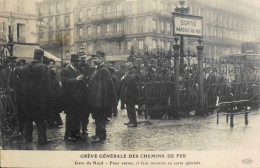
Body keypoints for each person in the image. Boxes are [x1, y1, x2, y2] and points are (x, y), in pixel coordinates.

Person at [87, 51, 118, 143]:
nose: (94, 60)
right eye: (94, 58)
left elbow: (109, 85)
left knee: (100, 118)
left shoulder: (104, 70)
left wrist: (111, 100)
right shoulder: (97, 69)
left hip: (100, 100)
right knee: (97, 117)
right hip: (96, 99)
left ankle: (101, 136)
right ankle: (98, 135)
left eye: (96, 58)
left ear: (102, 59)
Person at [23, 49, 51, 145]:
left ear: (34, 56)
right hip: (40, 99)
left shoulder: (26, 67)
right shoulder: (44, 68)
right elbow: (47, 86)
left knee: (28, 120)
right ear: (41, 57)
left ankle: (28, 139)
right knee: (41, 120)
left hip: (27, 99)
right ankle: (42, 140)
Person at [60, 54, 84, 141]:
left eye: (78, 62)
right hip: (69, 98)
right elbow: (64, 81)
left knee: (77, 116)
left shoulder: (77, 69)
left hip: (77, 98)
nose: (78, 63)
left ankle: (76, 133)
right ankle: (68, 135)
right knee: (70, 117)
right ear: (72, 62)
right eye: (77, 62)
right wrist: (76, 79)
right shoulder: (65, 70)